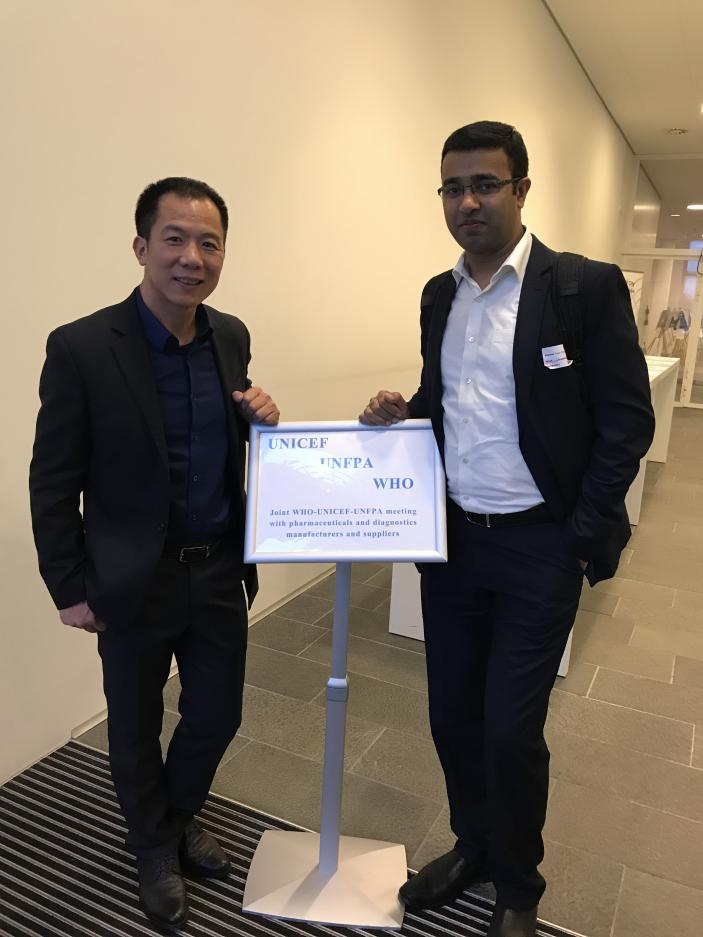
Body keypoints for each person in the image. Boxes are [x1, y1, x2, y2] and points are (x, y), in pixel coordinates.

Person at [360, 122, 654, 937]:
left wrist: (577, 533)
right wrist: (400, 413)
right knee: (452, 715)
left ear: (521, 190)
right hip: (454, 543)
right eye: (453, 187)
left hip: (538, 545)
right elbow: (448, 402)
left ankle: (518, 885)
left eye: (484, 184)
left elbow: (625, 422)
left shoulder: (581, 287)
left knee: (510, 729)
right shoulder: (439, 294)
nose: (467, 202)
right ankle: (474, 847)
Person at [29, 177, 279, 930]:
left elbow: (230, 439)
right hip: (133, 577)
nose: (190, 257)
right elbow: (53, 478)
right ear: (141, 247)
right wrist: (69, 585)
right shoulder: (82, 347)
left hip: (218, 566)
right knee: (135, 722)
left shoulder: (229, 336)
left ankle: (175, 815)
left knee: (217, 714)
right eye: (174, 239)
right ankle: (151, 845)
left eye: (208, 243)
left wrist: (262, 418)